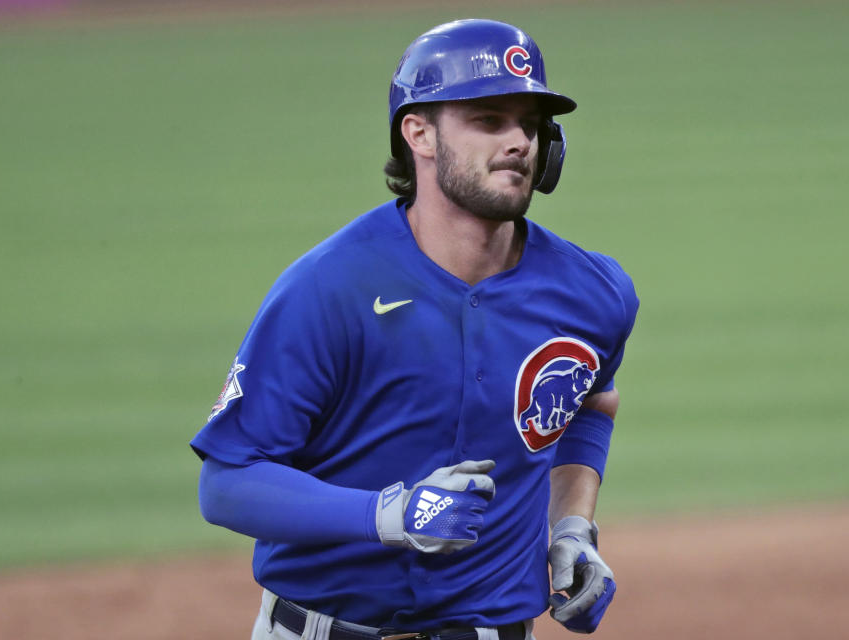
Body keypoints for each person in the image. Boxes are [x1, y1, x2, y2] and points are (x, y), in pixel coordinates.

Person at [191, 18, 639, 640]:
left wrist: (571, 530)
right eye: (489, 120)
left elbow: (591, 401)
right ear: (419, 133)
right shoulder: (330, 289)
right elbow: (227, 483)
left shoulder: (593, 293)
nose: (519, 142)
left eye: (530, 124)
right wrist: (386, 514)